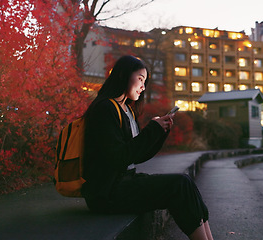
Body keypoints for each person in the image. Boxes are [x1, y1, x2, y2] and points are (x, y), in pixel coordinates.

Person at [81, 55, 213, 240]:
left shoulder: (126, 110)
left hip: (123, 183)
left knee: (186, 182)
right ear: (123, 75)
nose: (143, 86)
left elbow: (137, 155)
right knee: (179, 185)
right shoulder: (104, 108)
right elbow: (119, 157)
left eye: (145, 81)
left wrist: (160, 131)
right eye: (140, 79)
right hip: (106, 192)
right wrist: (152, 130)